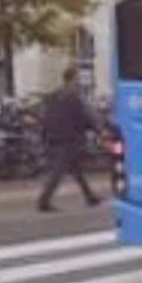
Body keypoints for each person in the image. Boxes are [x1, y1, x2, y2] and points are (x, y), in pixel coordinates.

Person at [37, 67, 101, 212]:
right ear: (72, 79)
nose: (79, 82)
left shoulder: (54, 95)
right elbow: (82, 117)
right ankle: (43, 201)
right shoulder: (73, 97)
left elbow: (45, 116)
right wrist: (96, 129)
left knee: (77, 170)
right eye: (77, 78)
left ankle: (90, 196)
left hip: (54, 136)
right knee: (58, 171)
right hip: (68, 139)